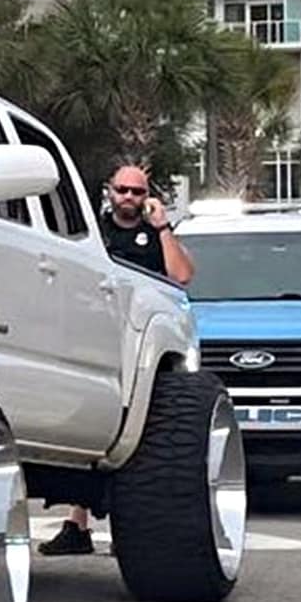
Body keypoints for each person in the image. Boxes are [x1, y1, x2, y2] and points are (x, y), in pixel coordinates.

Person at [40, 164, 195, 557]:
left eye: (138, 192)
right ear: (109, 191)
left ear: (148, 197)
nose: (129, 198)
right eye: (122, 190)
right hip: (97, 331)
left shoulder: (155, 235)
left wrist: (162, 229)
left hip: (143, 338)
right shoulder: (94, 232)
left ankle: (141, 529)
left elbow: (180, 276)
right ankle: (77, 526)